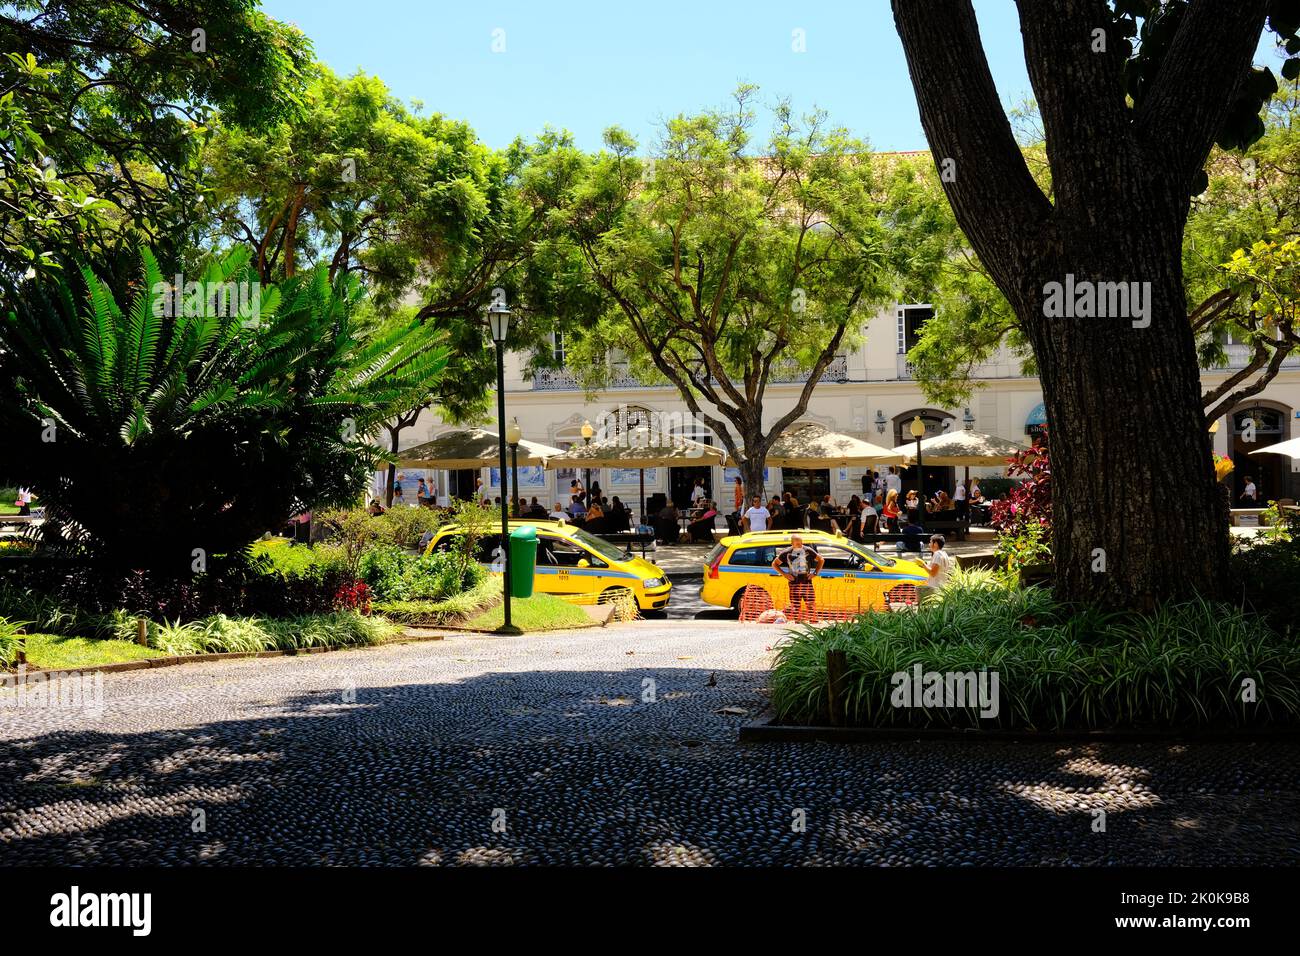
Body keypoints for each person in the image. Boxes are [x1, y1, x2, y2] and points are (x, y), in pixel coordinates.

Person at [772, 534, 823, 621]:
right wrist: (784, 574)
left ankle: (813, 624)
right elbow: (774, 564)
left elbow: (821, 560)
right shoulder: (786, 553)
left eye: (801, 543)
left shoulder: (808, 550)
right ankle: (798, 626)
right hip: (794, 584)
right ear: (792, 543)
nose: (800, 545)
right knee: (796, 607)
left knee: (811, 605)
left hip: (807, 583)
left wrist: (815, 573)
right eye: (798, 543)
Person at [917, 534, 954, 601]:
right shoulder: (944, 553)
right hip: (942, 586)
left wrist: (923, 565)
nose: (929, 544)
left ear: (935, 544)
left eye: (930, 542)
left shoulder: (937, 555)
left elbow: (933, 573)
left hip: (935, 588)